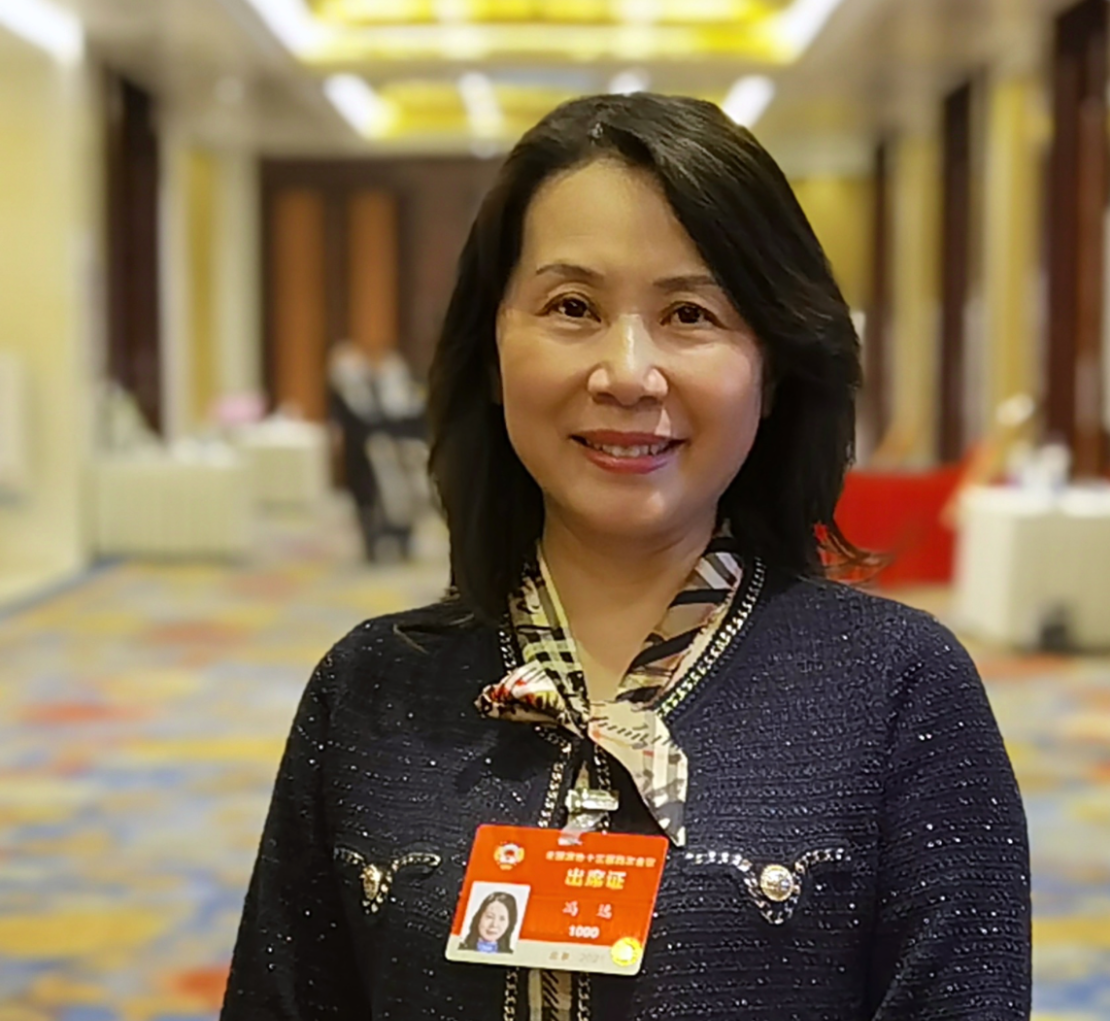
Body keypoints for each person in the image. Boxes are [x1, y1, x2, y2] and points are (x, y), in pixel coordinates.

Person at [222, 93, 1031, 1021]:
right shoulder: (368, 686)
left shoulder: (898, 692)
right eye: (572, 306)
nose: (628, 374)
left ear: (772, 366)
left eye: (690, 313)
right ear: (492, 349)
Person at [327, 340, 430, 563]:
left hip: (397, 454)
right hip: (362, 457)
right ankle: (372, 544)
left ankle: (403, 540)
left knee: (402, 500)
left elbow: (410, 418)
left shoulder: (400, 389)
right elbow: (352, 422)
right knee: (368, 502)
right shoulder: (349, 393)